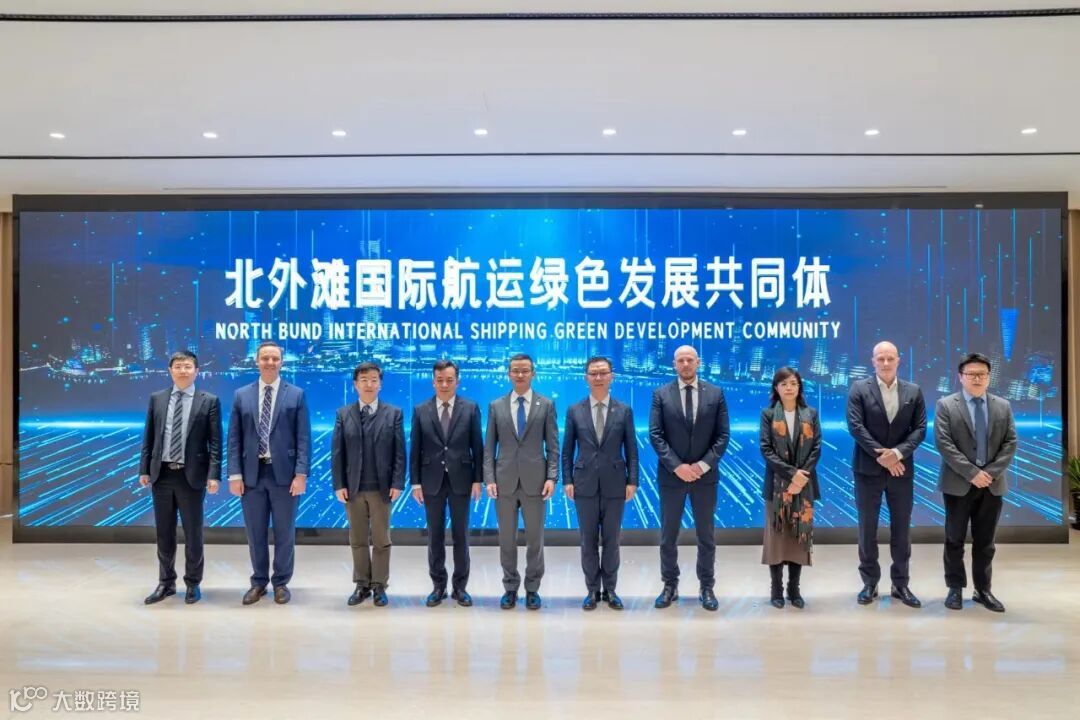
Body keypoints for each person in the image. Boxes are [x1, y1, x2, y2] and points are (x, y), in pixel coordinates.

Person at [227, 341, 310, 606]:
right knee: (255, 533)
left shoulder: (296, 394)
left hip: (285, 476)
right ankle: (259, 582)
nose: (270, 363)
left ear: (281, 362)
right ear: (257, 361)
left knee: (285, 533)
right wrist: (234, 475)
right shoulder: (242, 395)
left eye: (275, 358)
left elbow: (303, 438)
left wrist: (301, 474)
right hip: (252, 475)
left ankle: (281, 582)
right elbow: (234, 438)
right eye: (265, 358)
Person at [648, 345, 730, 611]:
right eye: (680, 360)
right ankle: (669, 585)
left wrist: (703, 466)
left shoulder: (715, 393)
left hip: (705, 478)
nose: (685, 364)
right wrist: (677, 467)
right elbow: (656, 435)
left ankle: (707, 586)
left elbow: (723, 435)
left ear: (698, 362)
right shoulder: (661, 394)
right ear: (674, 364)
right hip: (672, 477)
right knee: (668, 535)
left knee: (706, 536)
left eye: (689, 360)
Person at [846, 340, 927, 608]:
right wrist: (883, 456)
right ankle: (869, 583)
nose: (885, 363)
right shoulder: (859, 389)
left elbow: (920, 429)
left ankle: (900, 584)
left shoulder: (913, 391)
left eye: (890, 358)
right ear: (873, 361)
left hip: (901, 470)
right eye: (880, 358)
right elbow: (856, 426)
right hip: (867, 470)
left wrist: (897, 454)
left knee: (901, 529)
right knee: (867, 528)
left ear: (898, 360)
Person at [934, 352, 1017, 613]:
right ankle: (955, 589)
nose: (977, 378)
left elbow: (1010, 442)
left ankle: (983, 590)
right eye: (971, 374)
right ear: (960, 377)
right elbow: (944, 444)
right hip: (958, 484)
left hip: (992, 484)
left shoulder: (1003, 406)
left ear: (989, 377)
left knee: (986, 542)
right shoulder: (946, 405)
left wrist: (989, 473)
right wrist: (972, 473)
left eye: (982, 374)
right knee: (954, 539)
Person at [138, 350, 222, 605]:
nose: (183, 370)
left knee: (193, 534)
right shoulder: (157, 398)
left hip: (191, 477)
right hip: (161, 474)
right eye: (178, 366)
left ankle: (193, 583)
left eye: (187, 366)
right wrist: (144, 469)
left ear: (197, 371)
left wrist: (214, 475)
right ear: (170, 371)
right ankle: (166, 583)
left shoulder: (209, 401)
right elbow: (149, 437)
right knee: (164, 533)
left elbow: (215, 443)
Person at [561, 356, 639, 611]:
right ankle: (592, 590)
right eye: (593, 373)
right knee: (588, 541)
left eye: (603, 373)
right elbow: (567, 450)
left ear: (611, 377)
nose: (598, 377)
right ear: (586, 378)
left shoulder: (623, 410)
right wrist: (567, 480)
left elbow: (632, 449)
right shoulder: (575, 410)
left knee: (612, 540)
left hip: (615, 484)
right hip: (583, 485)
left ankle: (611, 590)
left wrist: (632, 481)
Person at [483, 353, 559, 611]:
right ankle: (510, 587)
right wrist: (489, 478)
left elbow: (553, 446)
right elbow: (489, 447)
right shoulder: (496, 406)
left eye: (525, 370)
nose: (520, 374)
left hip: (535, 482)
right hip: (504, 482)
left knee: (535, 540)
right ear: (509, 373)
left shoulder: (546, 405)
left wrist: (552, 477)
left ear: (533, 373)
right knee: (506, 539)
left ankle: (533, 588)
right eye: (515, 370)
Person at [409, 359, 483, 608]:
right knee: (435, 536)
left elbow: (477, 447)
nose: (444, 384)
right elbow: (415, 449)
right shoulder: (421, 410)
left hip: (462, 480)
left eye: (449, 380)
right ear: (433, 382)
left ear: (457, 382)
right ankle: (438, 586)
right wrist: (415, 483)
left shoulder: (470, 408)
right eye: (440, 380)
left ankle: (460, 587)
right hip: (431, 481)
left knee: (461, 535)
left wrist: (478, 479)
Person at [333, 361, 406, 607]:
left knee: (382, 539)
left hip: (382, 489)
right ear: (355, 384)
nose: (369, 384)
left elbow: (399, 452)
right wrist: (339, 484)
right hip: (353, 489)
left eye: (374, 380)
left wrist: (397, 483)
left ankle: (379, 585)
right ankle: (362, 584)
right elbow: (338, 453)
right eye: (364, 380)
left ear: (380, 384)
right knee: (358, 539)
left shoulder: (393, 413)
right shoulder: (344, 414)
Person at [758, 367, 821, 609]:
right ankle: (776, 590)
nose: (789, 388)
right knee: (777, 539)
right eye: (783, 384)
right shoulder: (767, 415)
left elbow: (816, 448)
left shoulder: (811, 414)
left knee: (798, 538)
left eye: (793, 383)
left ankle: (794, 590)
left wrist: (801, 478)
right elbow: (766, 449)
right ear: (776, 388)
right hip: (777, 486)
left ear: (799, 386)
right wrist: (792, 474)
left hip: (804, 486)